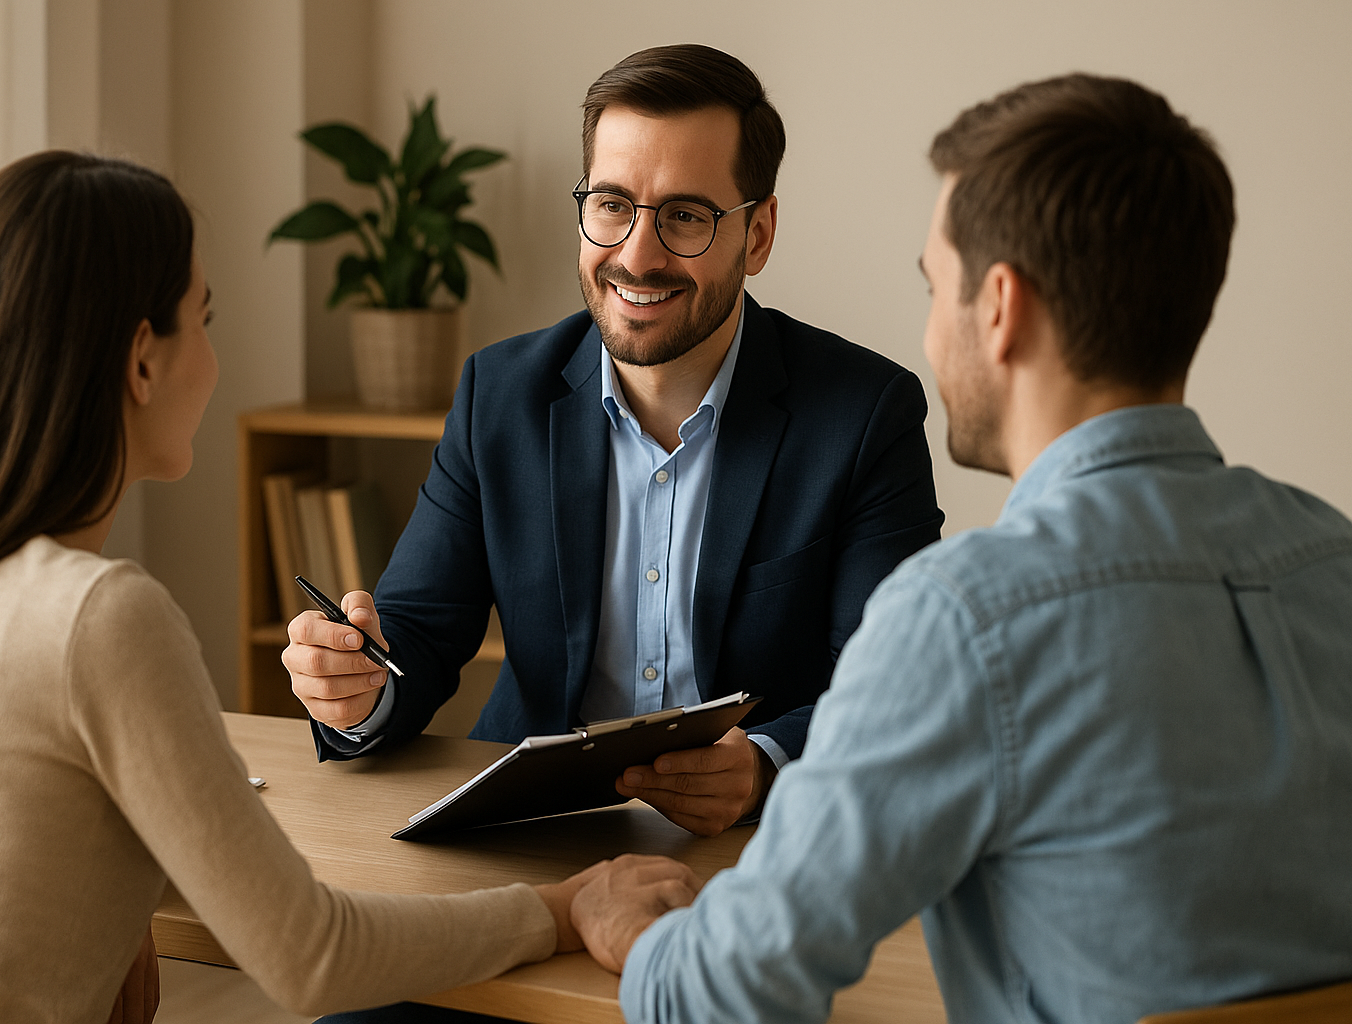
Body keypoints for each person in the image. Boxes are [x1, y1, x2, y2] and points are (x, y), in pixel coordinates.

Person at [570, 73, 1352, 1022]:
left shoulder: (967, 618)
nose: (932, 330)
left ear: (1001, 309)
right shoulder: (1332, 560)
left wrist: (630, 924)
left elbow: (726, 998)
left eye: (935, 285)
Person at [0, 150, 665, 1024]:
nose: (217, 358)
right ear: (142, 363)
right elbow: (314, 958)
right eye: (206, 318)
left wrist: (114, 915)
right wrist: (564, 909)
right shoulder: (100, 616)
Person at [284, 43, 943, 839]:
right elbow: (417, 631)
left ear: (758, 235)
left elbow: (889, 683)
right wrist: (357, 690)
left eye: (685, 216)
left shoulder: (866, 414)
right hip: (531, 833)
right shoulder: (500, 395)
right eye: (611, 204)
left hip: (752, 853)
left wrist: (766, 762)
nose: (636, 254)